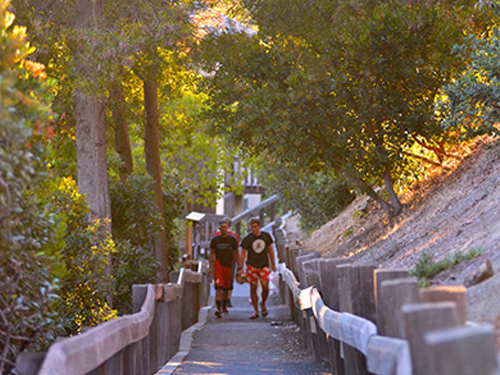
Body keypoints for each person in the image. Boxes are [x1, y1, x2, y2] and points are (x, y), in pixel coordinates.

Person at [237, 217, 277, 319]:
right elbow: (243, 254)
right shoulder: (247, 239)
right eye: (252, 227)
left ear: (259, 226)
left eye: (255, 227)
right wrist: (240, 267)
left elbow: (270, 250)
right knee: (253, 288)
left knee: (265, 287)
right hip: (251, 266)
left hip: (263, 265)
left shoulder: (266, 236)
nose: (254, 229)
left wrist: (273, 264)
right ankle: (256, 310)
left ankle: (263, 302)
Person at [209, 219, 239, 317]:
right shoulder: (215, 240)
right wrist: (210, 266)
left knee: (227, 287)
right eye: (222, 227)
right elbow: (212, 253)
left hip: (228, 264)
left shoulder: (232, 239)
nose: (223, 229)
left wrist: (237, 264)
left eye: (225, 227)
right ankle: (218, 307)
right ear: (219, 228)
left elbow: (236, 252)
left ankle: (224, 306)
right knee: (219, 287)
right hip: (218, 263)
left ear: (228, 228)